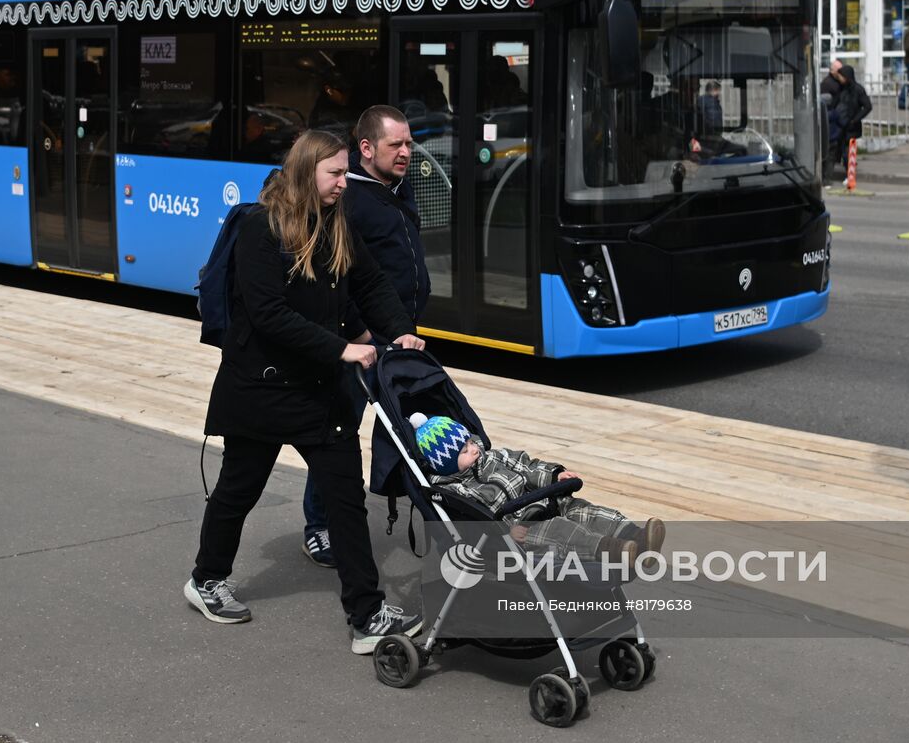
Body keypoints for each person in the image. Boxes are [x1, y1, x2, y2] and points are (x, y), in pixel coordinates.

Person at [186, 129, 430, 654]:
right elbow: (268, 313)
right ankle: (207, 579)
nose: (345, 183)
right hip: (262, 388)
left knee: (344, 498)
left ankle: (366, 613)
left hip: (320, 391)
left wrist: (398, 329)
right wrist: (341, 349)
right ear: (305, 173)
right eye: (335, 174)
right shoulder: (261, 228)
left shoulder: (336, 222)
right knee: (239, 489)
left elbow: (367, 284)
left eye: (346, 173)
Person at [299, 105, 430, 568]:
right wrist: (362, 332)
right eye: (396, 145)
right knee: (339, 431)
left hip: (398, 336)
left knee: (413, 428)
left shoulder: (398, 189)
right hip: (363, 341)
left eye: (410, 143)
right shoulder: (348, 197)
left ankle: (428, 512)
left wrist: (402, 329)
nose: (406, 153)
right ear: (367, 148)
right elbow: (342, 275)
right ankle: (319, 526)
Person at [413, 414, 666, 564]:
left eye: (469, 441)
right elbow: (472, 522)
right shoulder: (456, 490)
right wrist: (505, 534)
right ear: (446, 464)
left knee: (583, 509)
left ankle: (638, 537)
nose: (474, 449)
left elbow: (527, 466)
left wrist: (555, 475)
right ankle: (614, 550)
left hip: (543, 501)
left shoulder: (493, 457)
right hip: (522, 527)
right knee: (564, 531)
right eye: (464, 450)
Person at [829, 63, 872, 175]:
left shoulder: (858, 90)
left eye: (841, 76)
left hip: (852, 127)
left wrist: (855, 120)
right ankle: (845, 173)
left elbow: (867, 106)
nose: (840, 78)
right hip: (840, 127)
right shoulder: (841, 88)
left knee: (848, 153)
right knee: (839, 151)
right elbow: (836, 103)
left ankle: (850, 175)